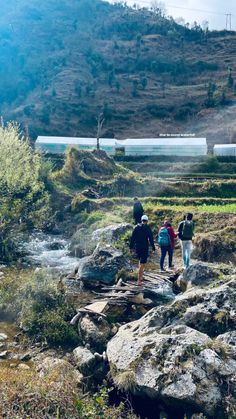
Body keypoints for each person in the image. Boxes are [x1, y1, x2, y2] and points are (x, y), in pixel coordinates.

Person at [130, 214, 155, 286]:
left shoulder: (136, 227)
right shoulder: (147, 228)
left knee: (140, 262)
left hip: (137, 247)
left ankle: (140, 277)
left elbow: (132, 238)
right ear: (147, 221)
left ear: (141, 220)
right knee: (142, 263)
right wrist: (153, 247)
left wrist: (131, 247)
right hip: (144, 247)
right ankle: (139, 280)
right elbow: (151, 239)